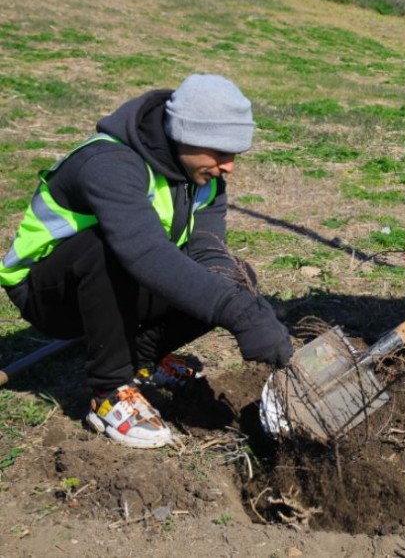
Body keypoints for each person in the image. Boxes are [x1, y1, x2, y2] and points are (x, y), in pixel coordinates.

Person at [0, 74, 294, 448]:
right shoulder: (109, 163)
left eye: (235, 154)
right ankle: (108, 392)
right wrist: (237, 312)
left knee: (234, 276)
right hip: (49, 292)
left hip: (118, 278)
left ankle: (141, 360)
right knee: (107, 247)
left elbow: (206, 247)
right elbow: (144, 252)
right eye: (219, 152)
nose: (229, 166)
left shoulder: (202, 176)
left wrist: (242, 297)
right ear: (183, 134)